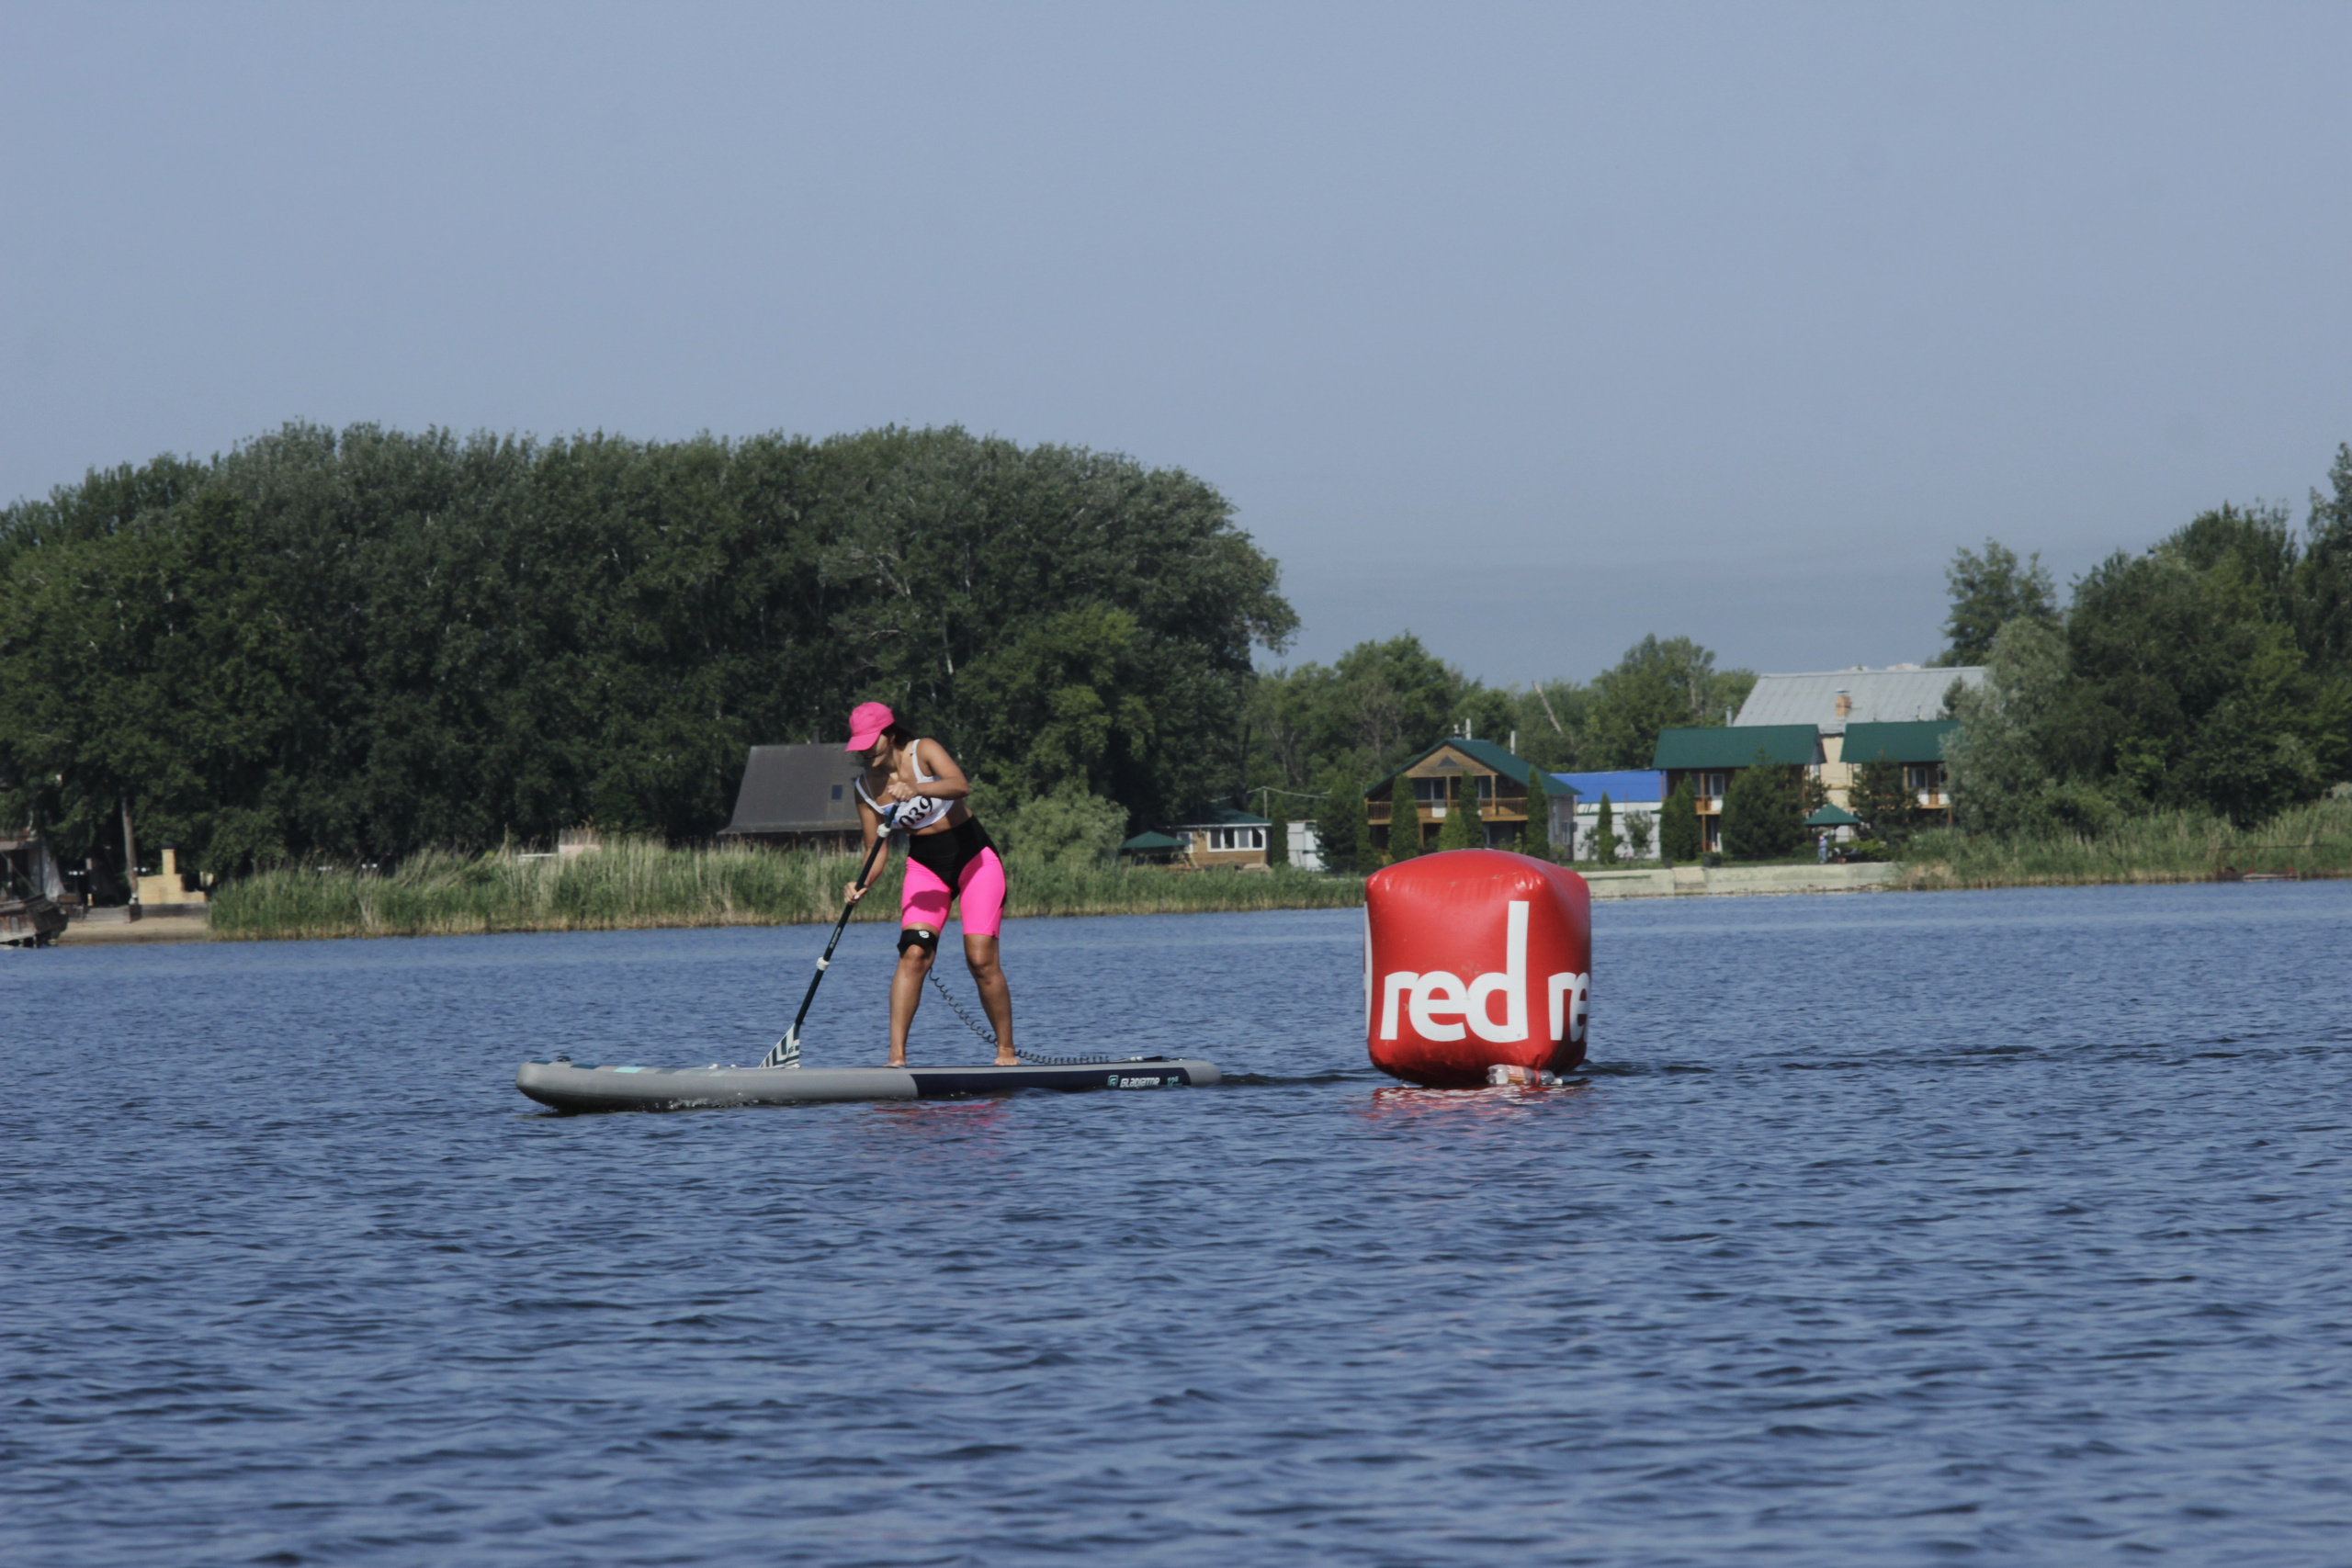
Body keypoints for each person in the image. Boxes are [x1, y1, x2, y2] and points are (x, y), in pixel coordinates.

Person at [840, 702, 1016, 1067]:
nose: (864, 751)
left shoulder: (924, 750)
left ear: (889, 736)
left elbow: (960, 786)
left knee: (980, 959)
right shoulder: (864, 788)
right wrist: (860, 883)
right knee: (913, 954)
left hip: (974, 860)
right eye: (858, 744)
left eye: (870, 742)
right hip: (926, 868)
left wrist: (916, 787)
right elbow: (875, 848)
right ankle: (896, 1061)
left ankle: (1006, 1053)